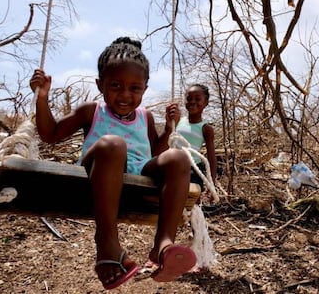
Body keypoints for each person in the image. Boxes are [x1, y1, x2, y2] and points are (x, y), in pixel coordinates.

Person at [29, 37, 196, 290]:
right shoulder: (91, 111)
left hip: (138, 173)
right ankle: (107, 243)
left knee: (179, 157)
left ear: (145, 88)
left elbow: (154, 152)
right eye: (116, 85)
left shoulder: (145, 117)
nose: (125, 95)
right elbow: (51, 134)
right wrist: (42, 98)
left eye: (134, 88)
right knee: (113, 145)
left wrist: (168, 130)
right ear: (100, 85)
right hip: (98, 171)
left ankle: (163, 246)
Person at [176, 83, 217, 201]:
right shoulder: (178, 121)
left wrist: (211, 182)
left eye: (198, 99)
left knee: (192, 204)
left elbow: (211, 158)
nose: (193, 102)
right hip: (174, 166)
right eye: (189, 99)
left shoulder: (206, 128)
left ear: (206, 103)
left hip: (193, 170)